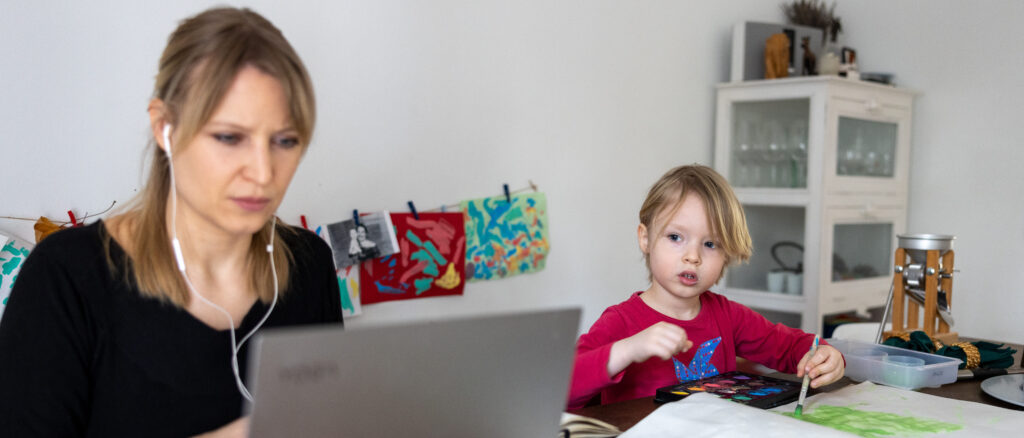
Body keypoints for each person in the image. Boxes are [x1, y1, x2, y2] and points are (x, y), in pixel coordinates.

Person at [0, 7, 342, 437]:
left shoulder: (308, 267)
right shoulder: (66, 280)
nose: (263, 171)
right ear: (165, 128)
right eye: (229, 137)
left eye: (284, 141)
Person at [567, 165, 844, 409]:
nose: (693, 256)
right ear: (645, 238)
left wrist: (823, 355)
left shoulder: (729, 316)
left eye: (710, 244)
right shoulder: (621, 322)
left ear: (727, 254)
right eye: (675, 237)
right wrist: (628, 349)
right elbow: (562, 387)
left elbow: (791, 346)